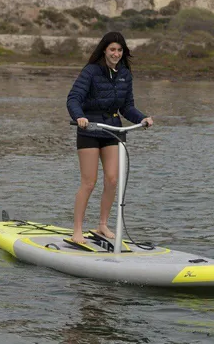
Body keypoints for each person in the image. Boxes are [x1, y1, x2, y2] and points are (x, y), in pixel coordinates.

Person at [66, 31, 153, 244]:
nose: (116, 53)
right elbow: (73, 98)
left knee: (113, 180)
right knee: (89, 182)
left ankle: (102, 225)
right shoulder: (91, 71)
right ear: (104, 50)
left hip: (113, 130)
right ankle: (77, 230)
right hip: (90, 129)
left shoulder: (125, 74)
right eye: (112, 49)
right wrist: (79, 116)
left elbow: (127, 107)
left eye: (119, 50)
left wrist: (142, 119)